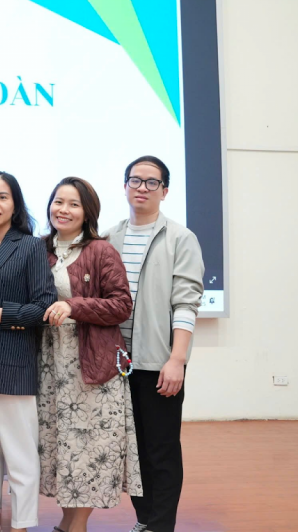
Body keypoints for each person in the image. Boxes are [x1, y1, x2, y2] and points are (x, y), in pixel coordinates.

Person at [37, 177, 142, 532]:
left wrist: (74, 306)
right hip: (50, 367)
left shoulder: (100, 250)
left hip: (92, 367)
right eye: (58, 201)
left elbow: (121, 304)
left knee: (89, 451)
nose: (63, 210)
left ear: (87, 212)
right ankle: (67, 525)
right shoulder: (40, 249)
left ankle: (75, 526)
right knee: (63, 449)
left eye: (73, 204)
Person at [108, 157, 204, 532]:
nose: (142, 188)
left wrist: (177, 359)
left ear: (164, 191)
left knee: (160, 449)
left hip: (158, 363)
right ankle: (144, 520)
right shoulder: (109, 238)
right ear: (125, 186)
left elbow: (186, 303)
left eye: (152, 182)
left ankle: (160, 525)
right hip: (115, 365)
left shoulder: (180, 238)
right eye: (136, 180)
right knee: (133, 451)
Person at [0, 172, 57, 532]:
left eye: (2, 196)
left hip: (12, 357)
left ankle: (21, 523)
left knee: (19, 450)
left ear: (14, 204)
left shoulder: (30, 246)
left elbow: (43, 307)